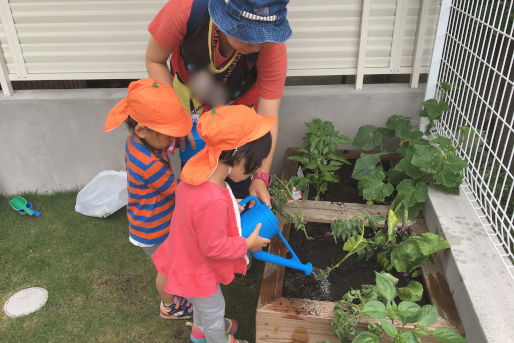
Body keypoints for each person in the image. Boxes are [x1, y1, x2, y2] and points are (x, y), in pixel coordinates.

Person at [145, 0, 291, 204]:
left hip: (239, 118)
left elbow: (268, 118)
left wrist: (259, 177)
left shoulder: (272, 48)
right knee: (197, 185)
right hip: (192, 106)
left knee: (238, 187)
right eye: (249, 38)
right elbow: (154, 59)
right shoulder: (186, 10)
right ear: (226, 17)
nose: (258, 46)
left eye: (263, 39)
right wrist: (176, 116)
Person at [152, 105, 273, 343]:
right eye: (255, 164)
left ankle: (199, 332)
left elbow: (200, 210)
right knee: (215, 308)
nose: (257, 169)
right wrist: (248, 243)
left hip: (183, 252)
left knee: (202, 304)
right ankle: (217, 338)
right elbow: (214, 248)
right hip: (197, 268)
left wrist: (233, 206)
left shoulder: (201, 171)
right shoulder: (213, 200)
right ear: (238, 156)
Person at [103, 78, 194, 319]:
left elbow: (160, 144)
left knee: (171, 265)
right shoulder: (150, 165)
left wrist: (173, 138)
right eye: (169, 134)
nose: (172, 139)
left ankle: (174, 297)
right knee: (167, 269)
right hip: (153, 228)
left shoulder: (136, 142)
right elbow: (177, 191)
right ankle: (169, 306)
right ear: (142, 129)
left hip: (147, 218)